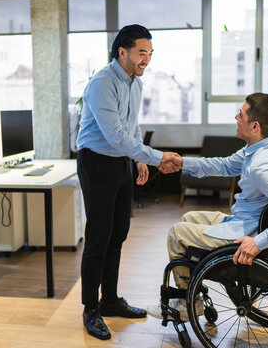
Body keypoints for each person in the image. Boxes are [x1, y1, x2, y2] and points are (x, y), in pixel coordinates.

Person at [148, 92, 268, 321]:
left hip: (246, 232)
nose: (236, 117)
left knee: (176, 233)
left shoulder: (262, 166)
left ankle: (189, 303)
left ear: (255, 125)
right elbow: (226, 165)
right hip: (243, 221)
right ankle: (192, 289)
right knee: (188, 217)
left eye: (241, 114)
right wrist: (182, 163)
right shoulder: (267, 145)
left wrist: (258, 243)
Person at [76, 24, 182, 340]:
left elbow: (131, 126)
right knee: (98, 237)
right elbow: (114, 135)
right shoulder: (101, 83)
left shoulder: (135, 83)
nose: (146, 59)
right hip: (96, 162)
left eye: (149, 54)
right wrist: (154, 156)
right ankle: (90, 309)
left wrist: (138, 159)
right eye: (141, 53)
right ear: (122, 52)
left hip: (120, 161)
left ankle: (109, 300)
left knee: (118, 233)